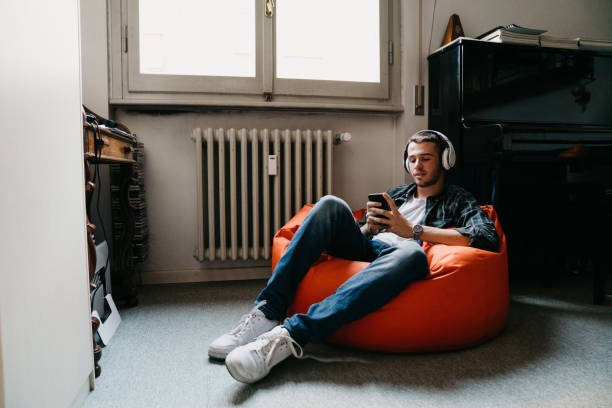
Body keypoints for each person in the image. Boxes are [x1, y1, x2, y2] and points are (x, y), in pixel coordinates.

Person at [208, 130, 500, 384]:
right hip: (368, 247)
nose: (417, 166)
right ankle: (267, 312)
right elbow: (363, 234)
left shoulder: (458, 198)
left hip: (401, 256)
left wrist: (412, 230)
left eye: (426, 158)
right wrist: (368, 229)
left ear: (445, 160)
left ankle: (289, 336)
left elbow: (486, 237)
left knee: (412, 253)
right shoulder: (397, 194)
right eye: (412, 159)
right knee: (330, 204)